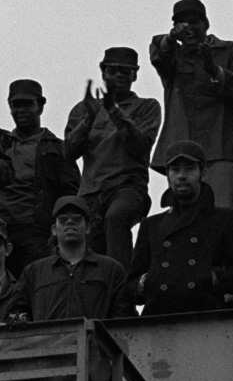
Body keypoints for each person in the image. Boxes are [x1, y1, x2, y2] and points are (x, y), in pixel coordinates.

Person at [148, 0, 233, 208]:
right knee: (184, 217)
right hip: (182, 151)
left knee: (223, 215)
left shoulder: (229, 51)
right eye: (182, 24)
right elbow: (159, 56)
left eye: (194, 22)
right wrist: (170, 39)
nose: (189, 29)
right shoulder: (173, 55)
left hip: (220, 148)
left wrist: (215, 71)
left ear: (206, 24)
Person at [65, 47, 163, 271]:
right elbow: (69, 152)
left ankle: (122, 286)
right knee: (86, 254)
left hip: (127, 187)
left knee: (116, 218)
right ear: (103, 71)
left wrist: (115, 111)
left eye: (126, 72)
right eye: (114, 70)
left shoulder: (147, 106)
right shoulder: (84, 109)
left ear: (135, 76)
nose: (119, 75)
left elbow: (140, 146)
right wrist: (89, 119)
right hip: (90, 194)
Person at [129, 141, 233, 315]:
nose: (181, 175)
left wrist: (213, 279)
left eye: (189, 169)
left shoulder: (226, 219)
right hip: (157, 321)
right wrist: (145, 282)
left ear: (203, 174)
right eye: (175, 170)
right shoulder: (151, 225)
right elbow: (130, 286)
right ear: (167, 176)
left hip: (208, 319)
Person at [0, 79, 81, 276]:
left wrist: (57, 234)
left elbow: (70, 195)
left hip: (37, 232)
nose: (20, 110)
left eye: (27, 104)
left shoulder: (57, 147)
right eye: (15, 105)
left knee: (36, 291)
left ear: (40, 106)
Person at [2, 197, 134, 322]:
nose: (70, 222)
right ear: (54, 229)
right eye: (63, 219)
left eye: (77, 219)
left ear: (88, 227)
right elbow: (15, 314)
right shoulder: (34, 272)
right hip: (49, 346)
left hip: (94, 345)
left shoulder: (111, 270)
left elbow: (122, 319)